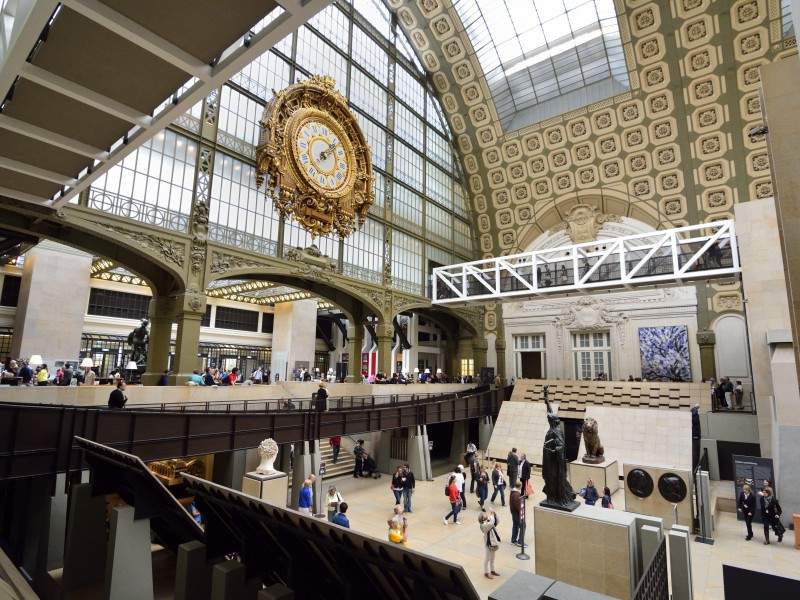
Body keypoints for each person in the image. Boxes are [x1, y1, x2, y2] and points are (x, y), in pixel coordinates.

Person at [479, 509, 501, 580]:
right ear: (482, 519)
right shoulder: (483, 526)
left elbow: (497, 521)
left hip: (493, 543)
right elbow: (491, 524)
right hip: (488, 544)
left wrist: (494, 513)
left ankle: (492, 570)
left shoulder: (488, 522)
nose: (486, 515)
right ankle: (486, 572)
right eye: (485, 516)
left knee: (492, 558)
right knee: (487, 559)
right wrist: (492, 516)